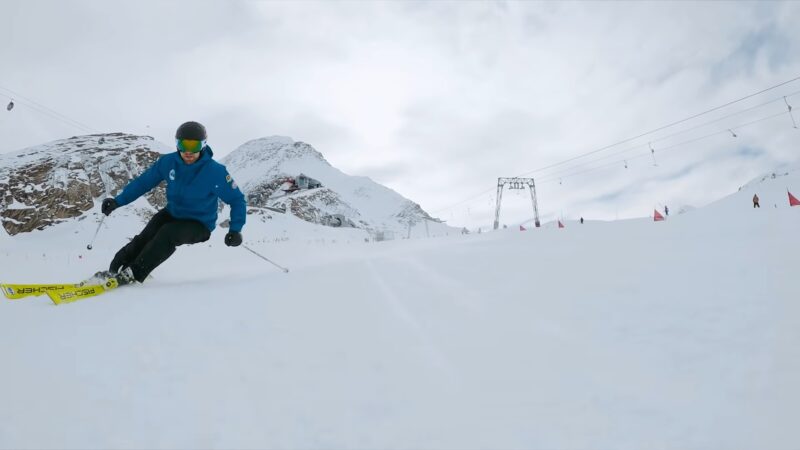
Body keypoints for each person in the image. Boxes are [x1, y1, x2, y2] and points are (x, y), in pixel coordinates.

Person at [95, 121, 246, 285]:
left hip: (199, 224)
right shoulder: (168, 162)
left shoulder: (215, 172)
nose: (188, 151)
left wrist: (235, 230)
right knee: (146, 236)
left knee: (167, 233)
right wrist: (117, 201)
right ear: (177, 144)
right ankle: (116, 267)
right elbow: (143, 183)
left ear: (203, 145)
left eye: (194, 146)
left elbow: (237, 200)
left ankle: (135, 274)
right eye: (183, 144)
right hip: (172, 213)